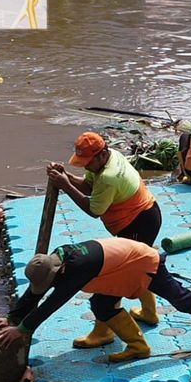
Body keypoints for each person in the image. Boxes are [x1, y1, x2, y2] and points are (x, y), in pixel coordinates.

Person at [0, 238, 191, 362]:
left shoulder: (77, 268)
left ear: (57, 272)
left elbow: (52, 303)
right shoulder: (56, 261)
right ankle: (136, 347)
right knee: (101, 304)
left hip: (143, 262)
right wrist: (11, 318)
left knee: (182, 300)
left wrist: (23, 329)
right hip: (117, 267)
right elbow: (35, 293)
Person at [47, 132, 162, 345]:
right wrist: (67, 177)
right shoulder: (109, 158)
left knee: (116, 278)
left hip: (139, 222)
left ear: (101, 155)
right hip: (146, 215)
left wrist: (65, 185)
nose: (85, 167)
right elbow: (90, 186)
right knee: (143, 268)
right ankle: (149, 313)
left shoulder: (109, 176)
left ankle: (103, 332)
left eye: (87, 162)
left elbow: (93, 209)